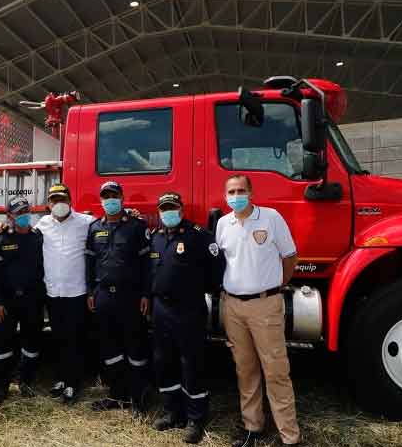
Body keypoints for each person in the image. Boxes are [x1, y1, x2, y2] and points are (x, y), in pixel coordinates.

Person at [215, 174, 301, 447]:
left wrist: (275, 287)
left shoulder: (271, 218)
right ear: (225, 195)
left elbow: (289, 256)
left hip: (265, 305)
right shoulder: (222, 224)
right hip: (232, 306)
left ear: (251, 192)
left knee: (276, 370)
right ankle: (253, 427)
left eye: (241, 190)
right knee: (245, 369)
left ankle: (289, 436)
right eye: (231, 191)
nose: (236, 195)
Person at [149, 192, 225, 444]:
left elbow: (217, 268)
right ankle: (173, 412)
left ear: (181, 209)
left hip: (188, 309)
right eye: (164, 208)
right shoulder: (156, 238)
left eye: (172, 207)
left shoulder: (198, 235)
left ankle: (195, 419)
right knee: (163, 361)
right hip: (161, 309)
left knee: (191, 364)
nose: (168, 212)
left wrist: (207, 290)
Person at [85, 181, 150, 417]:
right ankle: (116, 395)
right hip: (103, 296)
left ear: (122, 198)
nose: (110, 200)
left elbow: (146, 264)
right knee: (109, 348)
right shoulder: (94, 228)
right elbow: (90, 263)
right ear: (101, 200)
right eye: (106, 196)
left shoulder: (136, 226)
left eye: (114, 195)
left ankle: (138, 399)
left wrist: (145, 294)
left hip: (130, 296)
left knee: (135, 348)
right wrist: (91, 291)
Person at [34, 183, 94, 405]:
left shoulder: (86, 223)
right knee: (58, 338)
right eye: (54, 200)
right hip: (53, 292)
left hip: (76, 292)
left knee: (75, 339)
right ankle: (60, 378)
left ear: (70, 201)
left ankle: (73, 383)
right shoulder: (42, 224)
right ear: (48, 203)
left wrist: (129, 213)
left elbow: (110, 223)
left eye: (62, 199)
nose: (58, 204)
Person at [0, 196, 45, 405]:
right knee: (2, 345)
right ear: (10, 216)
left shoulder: (38, 237)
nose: (23, 215)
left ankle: (26, 381)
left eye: (26, 211)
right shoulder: (1, 239)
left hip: (32, 300)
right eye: (18, 212)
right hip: (7, 302)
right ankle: (0, 387)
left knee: (32, 343)